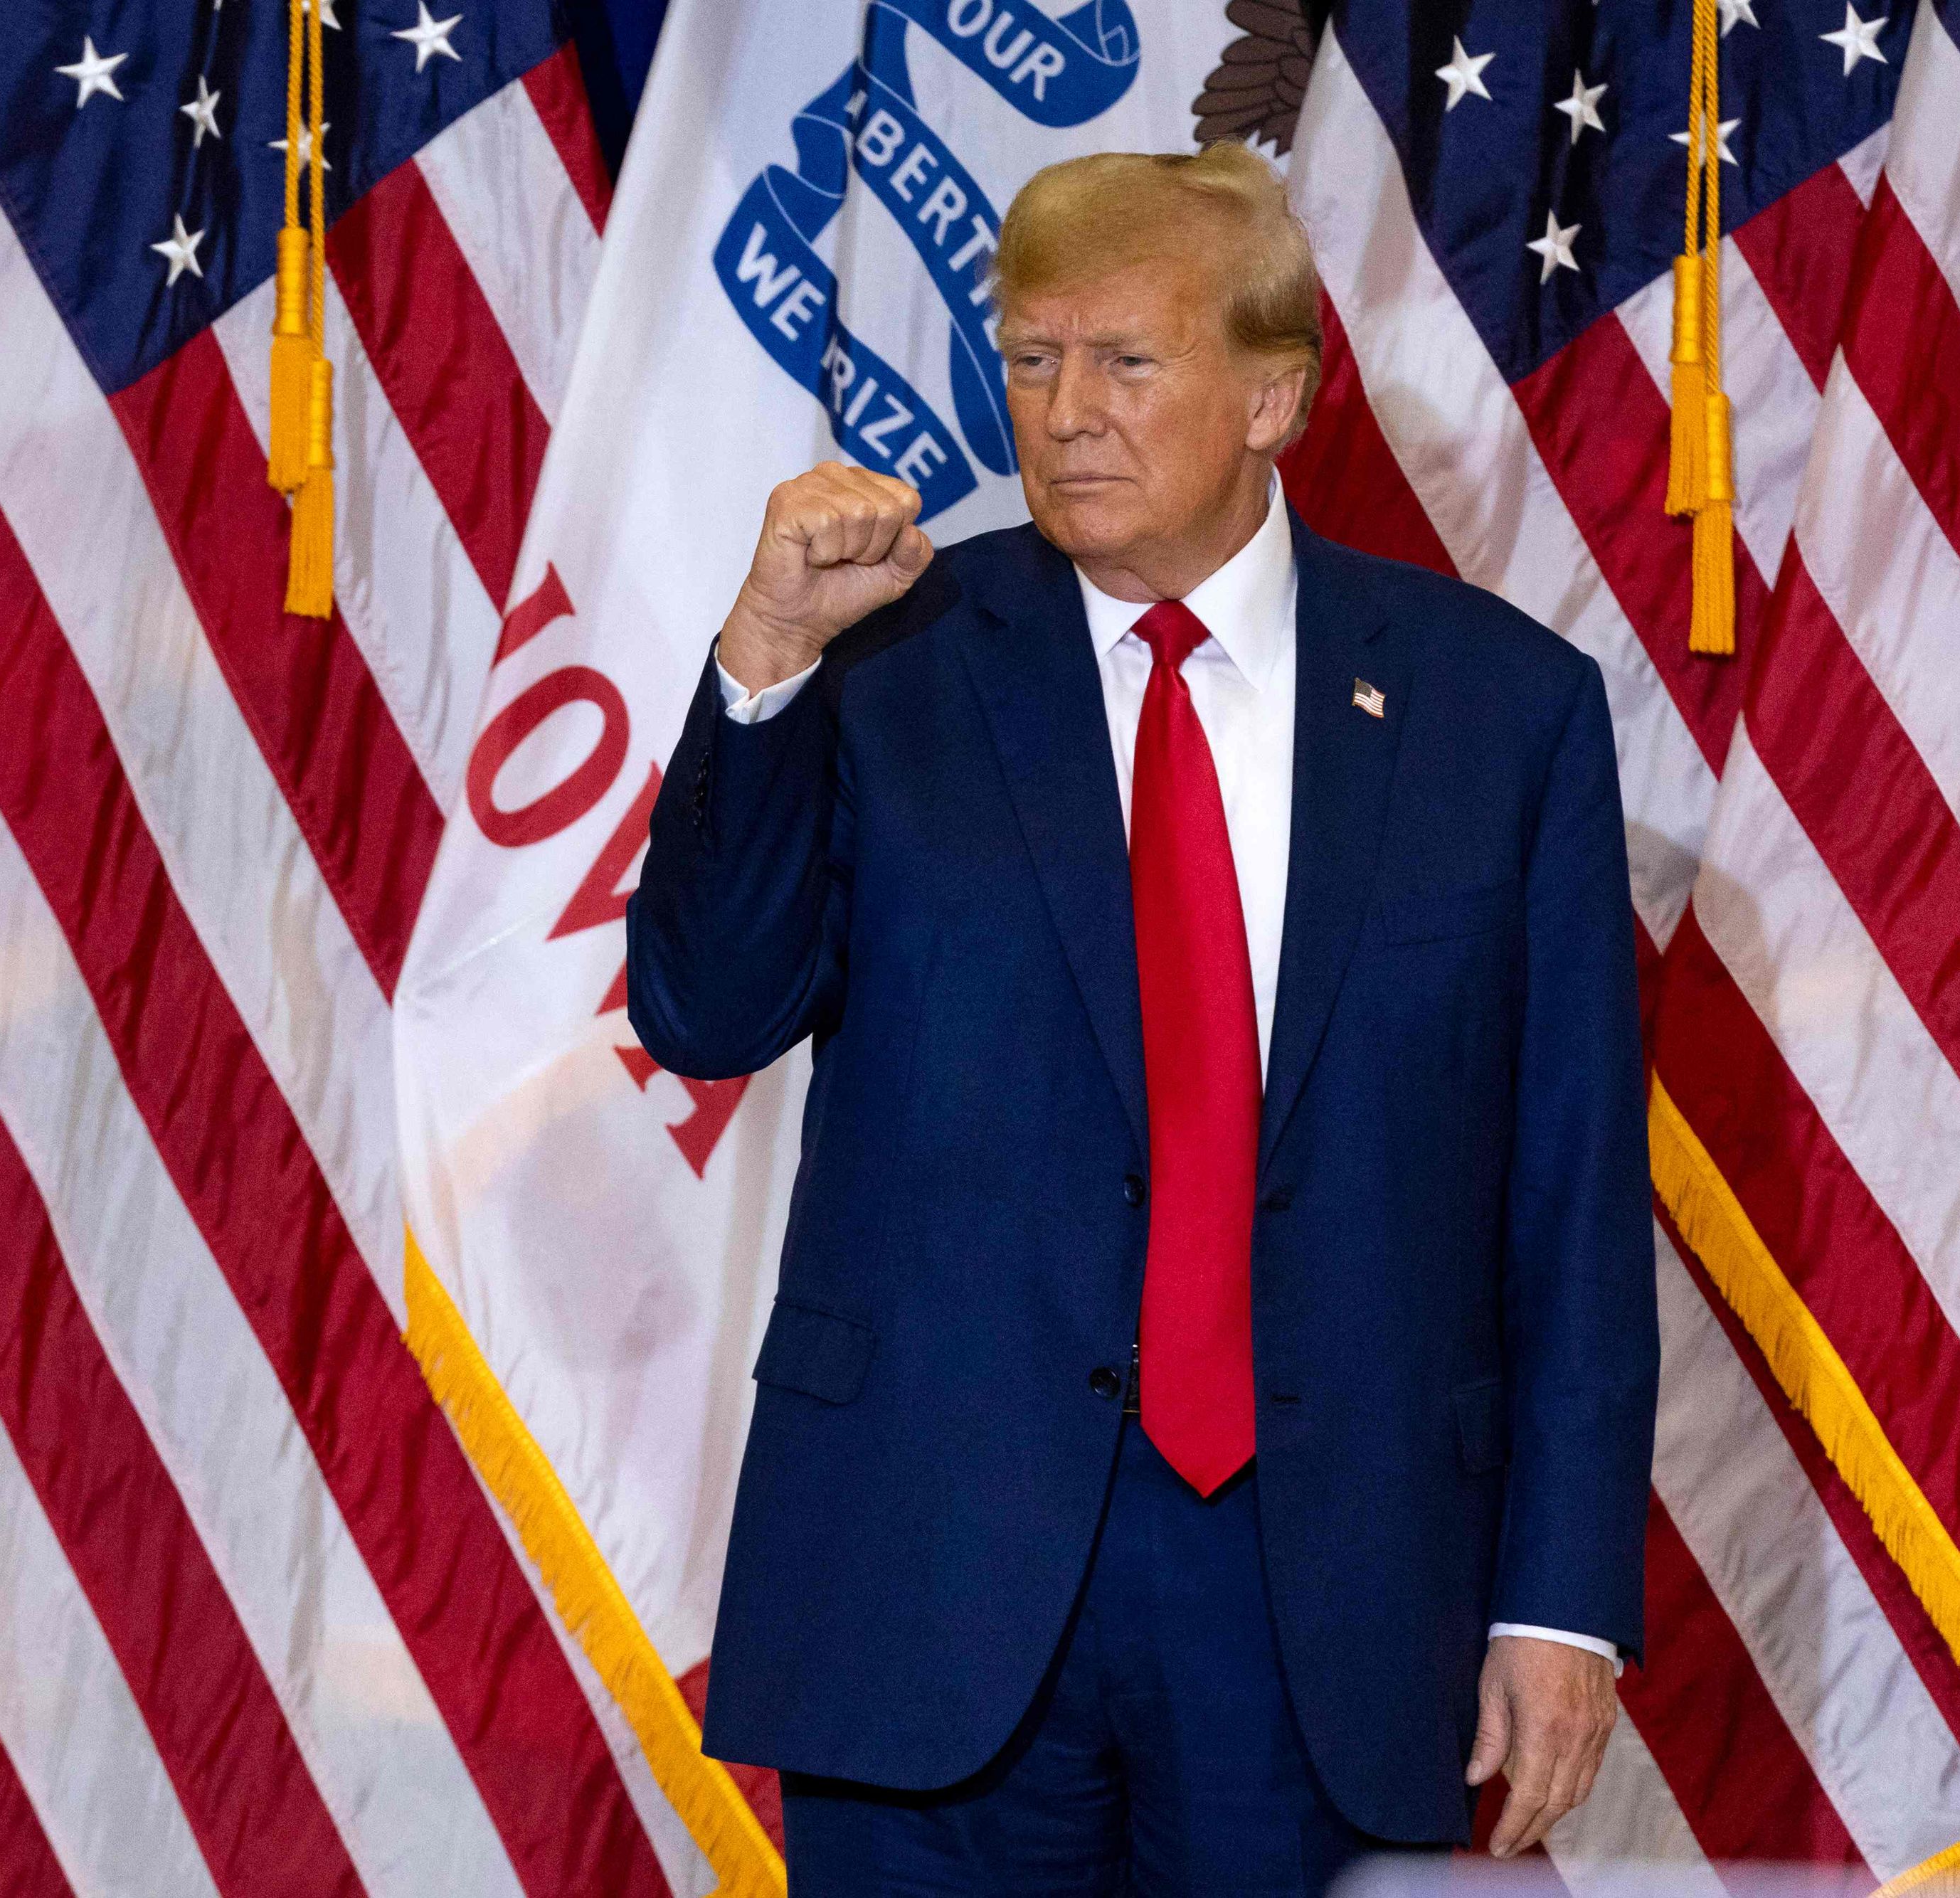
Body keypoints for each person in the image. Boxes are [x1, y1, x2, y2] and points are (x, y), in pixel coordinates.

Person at [626, 143, 1658, 1893]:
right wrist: (760, 662)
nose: (1063, 411)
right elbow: (705, 1009)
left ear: (1273, 394)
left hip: (1321, 1596)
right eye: (1029, 359)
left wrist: (1558, 1597)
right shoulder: (878, 663)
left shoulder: (1502, 718)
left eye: (1124, 361)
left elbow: (1565, 1202)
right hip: (932, 1575)